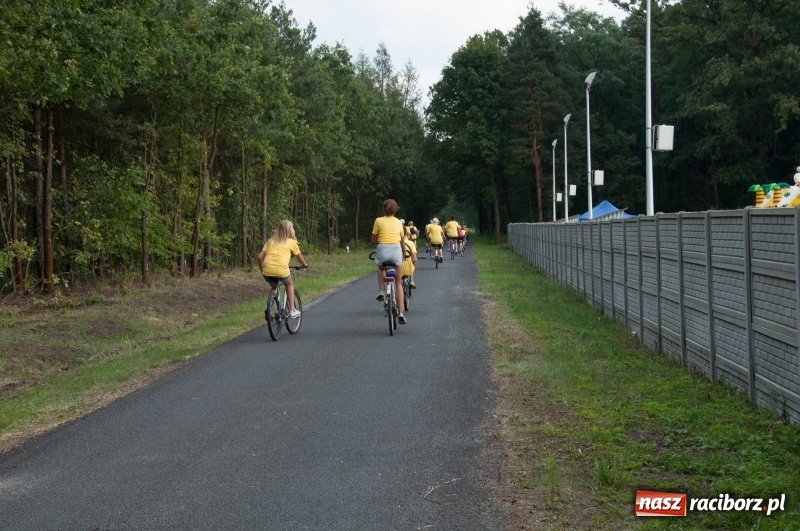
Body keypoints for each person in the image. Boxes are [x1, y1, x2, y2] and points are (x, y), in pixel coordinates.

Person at [257, 220, 308, 318]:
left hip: (267, 270)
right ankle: (292, 310)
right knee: (289, 284)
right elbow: (299, 257)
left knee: (274, 287)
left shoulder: (270, 241)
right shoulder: (291, 242)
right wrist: (304, 264)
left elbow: (259, 257)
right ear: (290, 230)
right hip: (281, 270)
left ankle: (269, 309)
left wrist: (262, 270)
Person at [371, 199, 406, 324]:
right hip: (396, 250)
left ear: (383, 209)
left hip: (383, 249)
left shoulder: (378, 220)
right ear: (396, 209)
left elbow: (374, 239)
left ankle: (381, 291)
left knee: (381, 267)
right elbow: (402, 241)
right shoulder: (398, 222)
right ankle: (401, 312)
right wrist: (404, 252)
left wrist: (376, 240)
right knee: (398, 283)